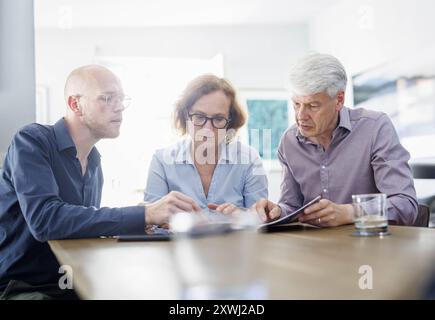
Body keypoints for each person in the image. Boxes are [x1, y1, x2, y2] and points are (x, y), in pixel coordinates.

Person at [0, 65, 200, 300]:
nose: (119, 107)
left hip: (69, 284)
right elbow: (45, 220)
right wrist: (142, 214)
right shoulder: (32, 141)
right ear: (76, 105)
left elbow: (77, 225)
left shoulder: (94, 163)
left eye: (121, 99)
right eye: (107, 98)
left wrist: (142, 222)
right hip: (23, 287)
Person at [252, 53, 418, 227]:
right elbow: (292, 205)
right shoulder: (289, 141)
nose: (301, 116)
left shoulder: (375, 128)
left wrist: (350, 212)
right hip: (316, 248)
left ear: (339, 100)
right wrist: (277, 212)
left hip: (371, 245)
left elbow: (406, 205)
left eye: (313, 105)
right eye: (296, 104)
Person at [144, 74, 268, 216]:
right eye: (199, 117)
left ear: (230, 122)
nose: (208, 129)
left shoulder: (249, 160)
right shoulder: (162, 160)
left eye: (218, 118)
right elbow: (151, 222)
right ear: (186, 116)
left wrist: (243, 216)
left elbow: (260, 218)